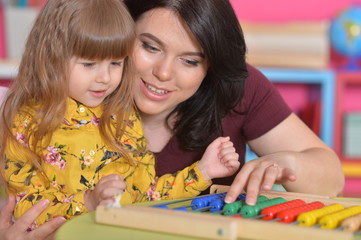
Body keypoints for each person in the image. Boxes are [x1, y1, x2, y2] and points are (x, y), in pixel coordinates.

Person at [0, 0, 239, 229]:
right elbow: (23, 209)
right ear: (52, 57)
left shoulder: (122, 117)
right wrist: (89, 202)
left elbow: (146, 195)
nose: (105, 77)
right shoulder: (26, 122)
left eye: (115, 63)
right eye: (89, 64)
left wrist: (202, 172)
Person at [123, 0, 345, 206]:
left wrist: (290, 162)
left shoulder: (237, 88)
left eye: (190, 61)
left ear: (212, 65)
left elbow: (333, 181)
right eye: (151, 47)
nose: (163, 73)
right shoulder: (90, 84)